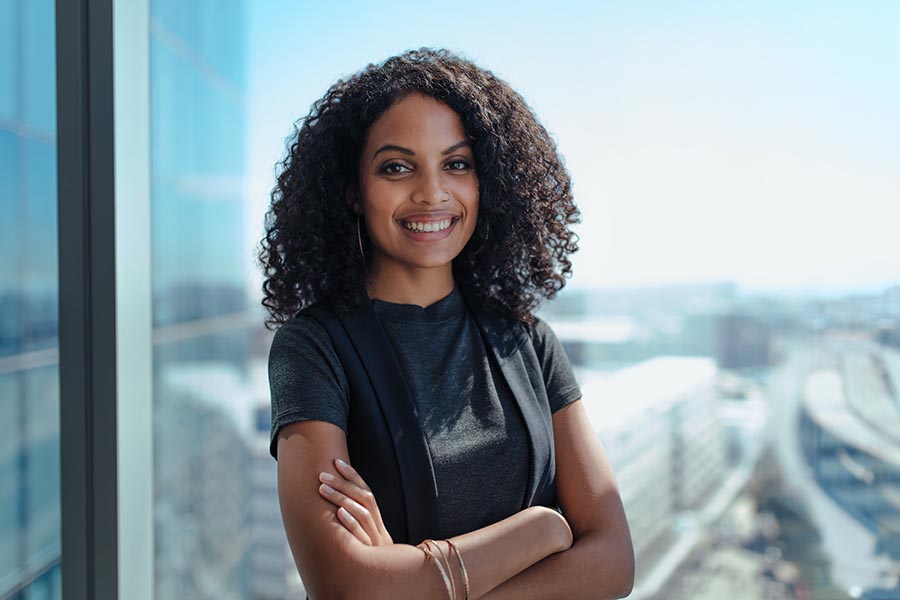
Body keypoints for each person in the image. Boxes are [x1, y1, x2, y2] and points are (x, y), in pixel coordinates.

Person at [258, 47, 634, 600]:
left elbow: (613, 562)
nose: (432, 191)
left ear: (490, 183)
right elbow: (345, 585)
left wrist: (416, 577)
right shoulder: (313, 349)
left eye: (456, 164)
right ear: (352, 192)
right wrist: (541, 530)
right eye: (396, 167)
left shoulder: (527, 340)